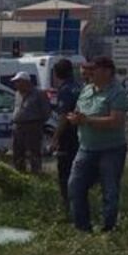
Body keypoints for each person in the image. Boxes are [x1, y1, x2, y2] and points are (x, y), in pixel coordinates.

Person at [67, 56, 128, 233]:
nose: (90, 73)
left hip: (111, 150)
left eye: (94, 69)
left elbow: (115, 121)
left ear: (107, 71)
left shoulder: (117, 93)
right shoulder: (86, 90)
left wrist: (87, 120)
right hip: (86, 148)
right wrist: (76, 119)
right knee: (75, 186)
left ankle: (108, 228)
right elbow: (79, 112)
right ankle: (82, 227)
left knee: (109, 190)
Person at [50, 59, 83, 213]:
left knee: (65, 171)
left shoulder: (65, 89)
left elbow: (64, 117)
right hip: (80, 134)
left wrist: (55, 137)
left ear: (56, 74)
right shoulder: (79, 87)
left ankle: (67, 206)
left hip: (68, 136)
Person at [11, 71, 51, 174]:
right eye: (15, 82)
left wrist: (37, 123)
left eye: (18, 82)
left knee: (33, 152)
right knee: (18, 152)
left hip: (33, 126)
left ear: (26, 82)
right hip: (18, 126)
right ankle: (20, 174)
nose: (16, 84)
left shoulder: (39, 94)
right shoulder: (17, 94)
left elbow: (46, 112)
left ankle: (36, 173)